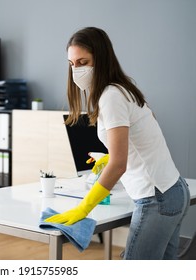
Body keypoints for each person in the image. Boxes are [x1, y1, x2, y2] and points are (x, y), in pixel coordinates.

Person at [45, 27, 190, 259]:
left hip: (156, 198)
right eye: (72, 64)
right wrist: (111, 156)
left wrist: (84, 208)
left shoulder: (111, 96)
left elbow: (119, 164)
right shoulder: (124, 88)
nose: (76, 70)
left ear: (101, 59)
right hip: (173, 189)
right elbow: (146, 131)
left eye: (83, 62)